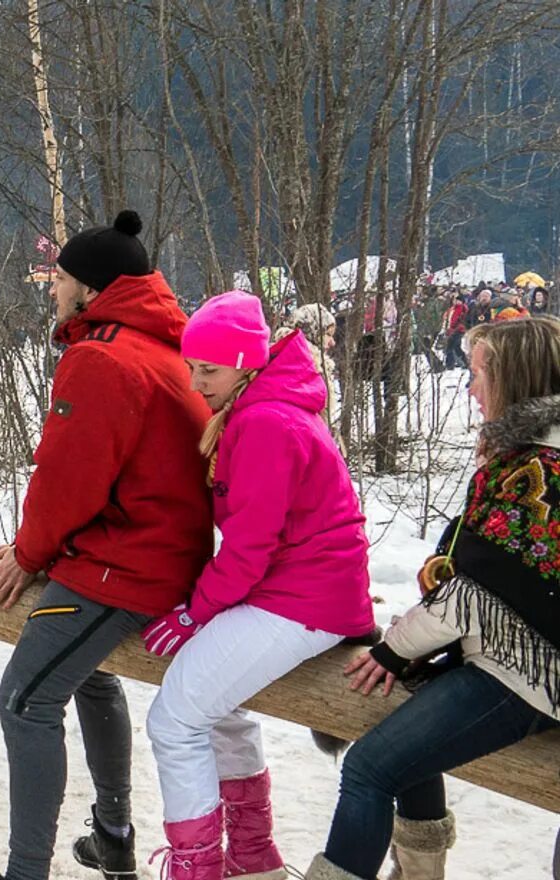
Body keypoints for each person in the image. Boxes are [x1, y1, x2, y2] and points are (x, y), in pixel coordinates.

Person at [0, 211, 213, 880]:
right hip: (152, 550)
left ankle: (28, 872)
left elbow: (68, 477)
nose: (52, 291)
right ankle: (112, 833)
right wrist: (36, 546)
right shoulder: (158, 345)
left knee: (24, 702)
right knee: (91, 674)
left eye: (59, 279)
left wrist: (28, 554)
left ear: (89, 287)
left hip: (128, 565)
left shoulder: (102, 357)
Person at [302, 317, 560, 880]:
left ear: (513, 379)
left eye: (478, 374)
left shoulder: (535, 470)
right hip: (507, 656)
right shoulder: (526, 457)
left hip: (525, 674)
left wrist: (394, 651)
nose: (469, 388)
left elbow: (473, 591)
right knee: (399, 732)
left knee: (369, 768)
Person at [141, 291, 374, 880]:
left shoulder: (267, 421)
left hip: (304, 600)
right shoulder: (266, 403)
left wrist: (196, 613)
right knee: (214, 708)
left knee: (174, 719)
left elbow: (248, 548)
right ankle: (250, 856)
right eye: (191, 367)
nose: (196, 383)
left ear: (246, 361)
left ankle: (197, 870)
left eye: (209, 370)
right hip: (305, 591)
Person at [441, 290, 470, 370]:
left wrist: (455, 328)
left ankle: (450, 365)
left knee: (451, 347)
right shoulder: (452, 308)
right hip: (451, 330)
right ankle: (465, 362)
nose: (456, 302)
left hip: (458, 330)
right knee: (456, 348)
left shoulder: (463, 308)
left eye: (458, 300)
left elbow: (462, 320)